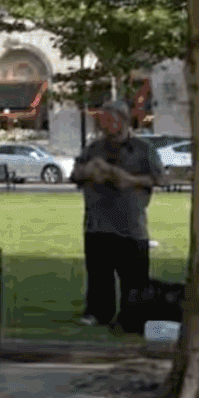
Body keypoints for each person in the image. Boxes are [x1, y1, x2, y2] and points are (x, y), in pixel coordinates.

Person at [72, 99, 163, 327]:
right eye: (101, 120)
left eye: (110, 119)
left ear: (123, 120)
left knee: (134, 276)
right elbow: (75, 174)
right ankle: (97, 313)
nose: (105, 124)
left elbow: (160, 178)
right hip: (97, 222)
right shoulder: (93, 148)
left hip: (131, 224)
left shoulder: (143, 149)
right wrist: (87, 171)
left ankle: (132, 316)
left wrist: (129, 179)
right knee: (99, 274)